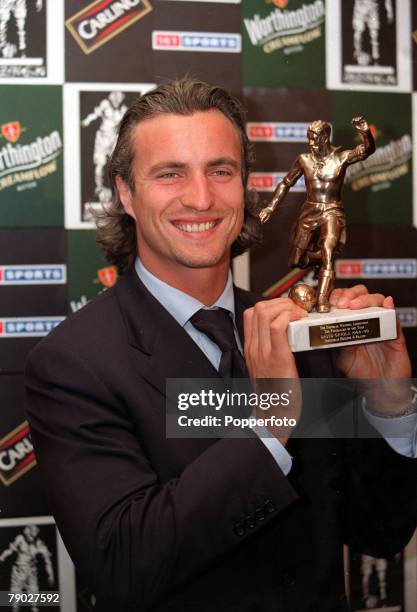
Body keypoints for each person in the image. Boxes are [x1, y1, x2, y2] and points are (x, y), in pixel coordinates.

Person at [25, 79, 417, 612]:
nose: (202, 198)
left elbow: (381, 530)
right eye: (170, 173)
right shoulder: (74, 363)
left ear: (244, 185)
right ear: (125, 193)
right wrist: (269, 424)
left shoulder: (303, 334)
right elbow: (122, 566)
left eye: (220, 170)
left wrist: (389, 404)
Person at [259, 117, 375, 312]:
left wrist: (365, 133)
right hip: (310, 210)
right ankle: (319, 259)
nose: (310, 143)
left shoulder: (341, 158)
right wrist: (270, 207)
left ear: (324, 138)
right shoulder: (304, 160)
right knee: (297, 260)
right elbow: (286, 183)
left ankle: (322, 300)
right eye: (308, 138)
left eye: (314, 139)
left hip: (332, 209)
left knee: (328, 249)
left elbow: (366, 151)